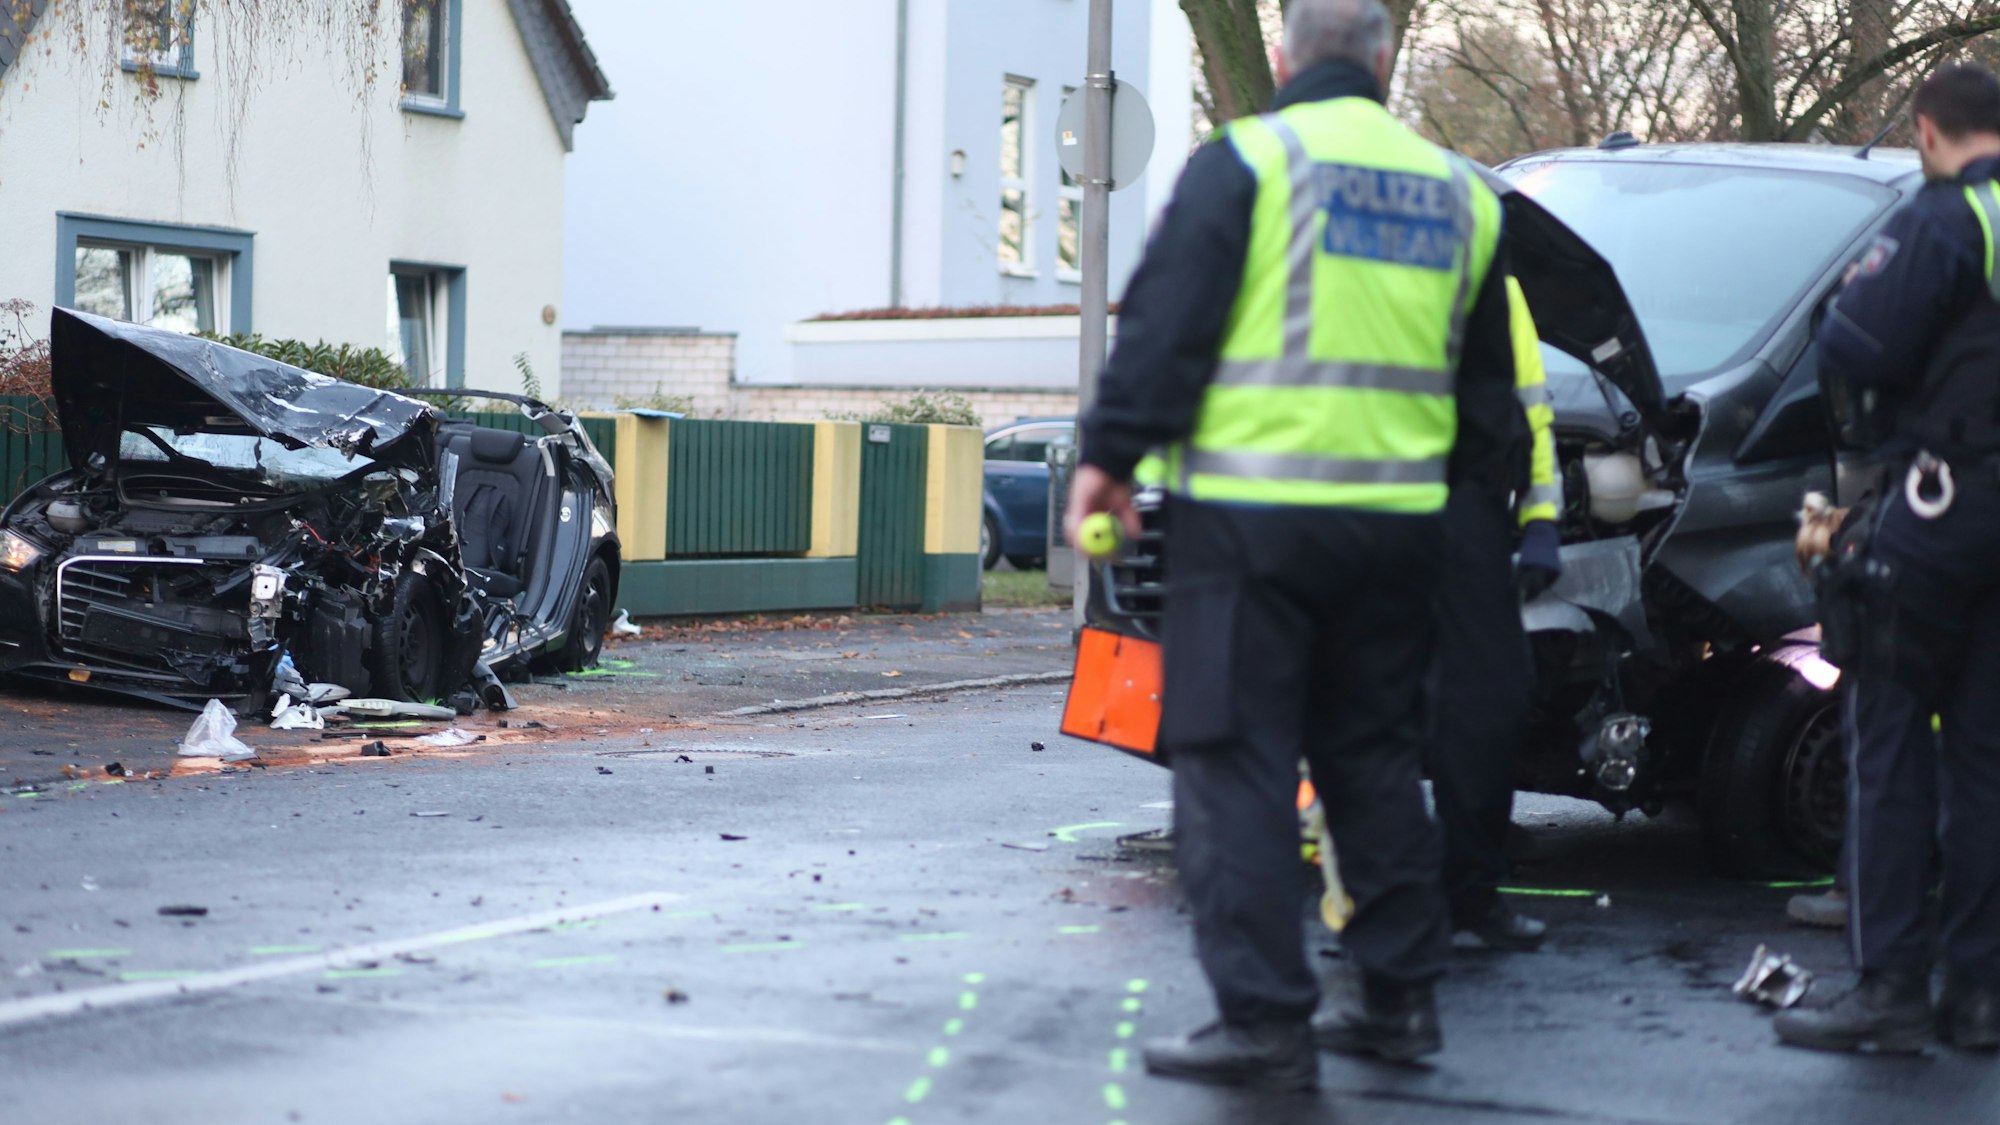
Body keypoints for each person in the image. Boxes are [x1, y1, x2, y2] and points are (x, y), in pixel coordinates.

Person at [1066, 0, 1520, 1089]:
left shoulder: (1249, 164)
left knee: (1234, 761)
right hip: (1398, 534)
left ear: (1280, 57)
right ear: (1384, 59)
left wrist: (1108, 460)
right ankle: (1399, 1000)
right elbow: (1489, 401)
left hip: (1251, 526)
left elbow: (1165, 330)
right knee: (1373, 759)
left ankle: (1266, 1019)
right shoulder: (1463, 196)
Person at [1774, 63, 2000, 1055]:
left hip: (1940, 507)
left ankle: (1890, 987)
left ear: (1927, 132)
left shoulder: (1943, 218)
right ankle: (1980, 996)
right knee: (1987, 758)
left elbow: (1854, 344)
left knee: (1889, 740)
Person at [1426, 277, 1562, 953]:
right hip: (1379, 507)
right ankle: (1381, 905)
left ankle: (1470, 894)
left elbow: (1531, 408)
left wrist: (1541, 518)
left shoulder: (1493, 274)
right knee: (1376, 717)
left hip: (1468, 509)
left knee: (1493, 703)